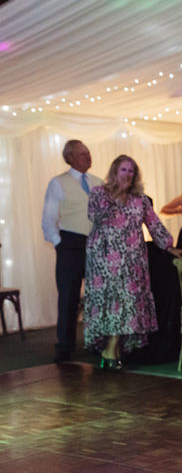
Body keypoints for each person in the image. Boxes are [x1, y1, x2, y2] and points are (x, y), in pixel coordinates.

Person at [82, 155, 182, 369]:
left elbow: (154, 224)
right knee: (110, 303)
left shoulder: (140, 199)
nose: (128, 174)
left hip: (132, 260)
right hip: (104, 258)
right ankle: (110, 350)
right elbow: (95, 216)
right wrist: (116, 195)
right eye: (124, 170)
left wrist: (169, 246)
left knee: (128, 303)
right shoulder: (99, 193)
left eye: (131, 171)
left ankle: (112, 349)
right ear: (114, 171)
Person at [41, 139, 103, 363]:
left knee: (98, 295)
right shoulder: (58, 182)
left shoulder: (98, 183)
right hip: (70, 244)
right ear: (69, 158)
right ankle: (65, 346)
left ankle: (98, 341)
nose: (88, 156)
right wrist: (60, 243)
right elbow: (49, 218)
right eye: (82, 153)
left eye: (88, 152)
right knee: (68, 296)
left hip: (96, 244)